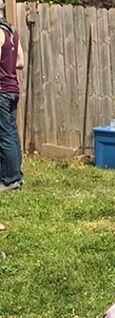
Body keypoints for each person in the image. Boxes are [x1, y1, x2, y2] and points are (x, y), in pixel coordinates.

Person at [0, 14, 24, 192]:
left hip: (1, 90)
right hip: (13, 89)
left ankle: (10, 180)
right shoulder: (11, 31)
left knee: (5, 135)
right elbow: (20, 62)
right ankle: (16, 176)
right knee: (12, 134)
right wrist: (7, 66)